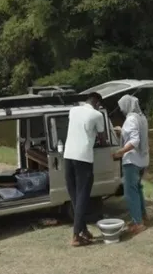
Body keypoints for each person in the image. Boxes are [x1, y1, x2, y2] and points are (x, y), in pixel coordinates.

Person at [63, 92, 106, 247]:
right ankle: (76, 236)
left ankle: (83, 230)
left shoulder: (73, 110)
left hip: (68, 156)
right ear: (96, 103)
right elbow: (102, 138)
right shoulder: (97, 114)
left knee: (75, 195)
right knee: (82, 196)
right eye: (99, 105)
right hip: (84, 158)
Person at [112, 94, 149, 235]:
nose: (121, 110)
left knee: (130, 192)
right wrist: (122, 131)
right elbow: (136, 134)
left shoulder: (131, 119)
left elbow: (134, 141)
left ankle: (138, 223)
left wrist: (119, 153)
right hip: (143, 160)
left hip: (132, 161)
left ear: (127, 105)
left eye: (122, 107)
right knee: (137, 189)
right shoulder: (142, 117)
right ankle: (143, 216)